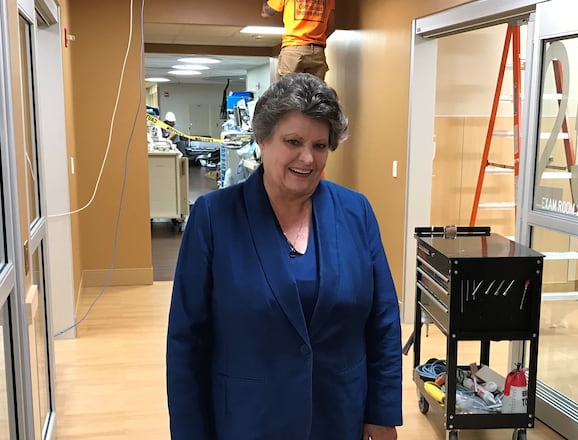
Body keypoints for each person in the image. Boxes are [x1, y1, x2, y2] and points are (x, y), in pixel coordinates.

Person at [166, 73, 402, 440]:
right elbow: (186, 341)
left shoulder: (356, 212)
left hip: (339, 416)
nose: (308, 158)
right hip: (248, 420)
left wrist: (382, 412)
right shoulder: (214, 217)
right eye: (293, 141)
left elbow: (383, 320)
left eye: (320, 145)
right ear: (262, 140)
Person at [261, 0, 335, 81]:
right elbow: (331, 27)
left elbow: (266, 13)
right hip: (317, 52)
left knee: (288, 90)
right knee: (314, 91)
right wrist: (315, 39)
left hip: (294, 48)